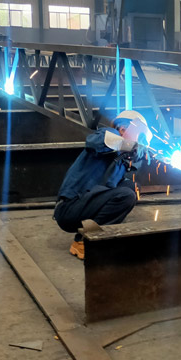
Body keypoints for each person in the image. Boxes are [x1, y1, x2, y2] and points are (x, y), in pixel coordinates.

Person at [53, 110, 152, 260]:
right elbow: (93, 142)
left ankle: (93, 236)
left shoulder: (121, 160)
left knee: (130, 188)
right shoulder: (108, 134)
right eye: (140, 137)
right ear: (123, 129)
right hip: (69, 208)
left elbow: (111, 188)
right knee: (126, 196)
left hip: (86, 204)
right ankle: (86, 242)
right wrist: (127, 144)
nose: (140, 143)